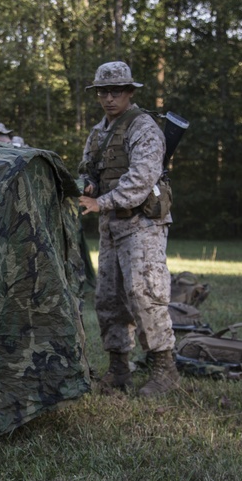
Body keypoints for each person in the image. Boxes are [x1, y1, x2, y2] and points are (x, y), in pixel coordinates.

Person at [77, 61, 179, 397]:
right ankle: (119, 369)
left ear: (129, 92)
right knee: (108, 298)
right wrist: (89, 186)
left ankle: (164, 370)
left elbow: (141, 180)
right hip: (111, 226)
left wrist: (100, 203)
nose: (109, 98)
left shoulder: (144, 127)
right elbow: (89, 170)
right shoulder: (98, 132)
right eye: (103, 92)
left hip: (142, 224)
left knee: (145, 294)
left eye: (116, 91)